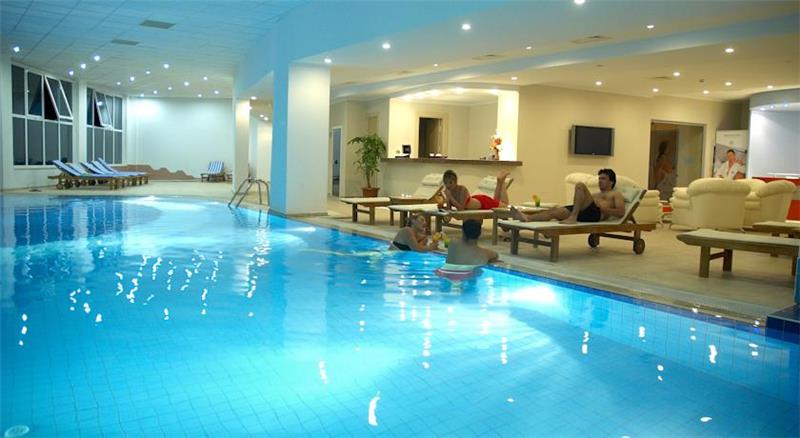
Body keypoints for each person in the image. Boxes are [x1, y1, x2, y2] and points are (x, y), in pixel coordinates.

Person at [510, 168, 625, 224]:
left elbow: (621, 212)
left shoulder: (615, 194)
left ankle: (573, 217)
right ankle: (527, 218)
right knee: (554, 211)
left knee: (580, 185)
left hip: (595, 214)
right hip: (583, 213)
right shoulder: (595, 194)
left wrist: (603, 209)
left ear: (611, 181)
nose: (600, 181)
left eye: (603, 179)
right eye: (599, 178)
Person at [442, 169, 511, 211]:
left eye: (450, 182)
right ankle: (500, 182)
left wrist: (450, 197)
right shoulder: (449, 192)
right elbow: (448, 211)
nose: (448, 185)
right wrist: (446, 201)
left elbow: (461, 209)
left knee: (505, 206)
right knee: (496, 202)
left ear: (456, 182)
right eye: (446, 183)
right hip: (476, 200)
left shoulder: (462, 189)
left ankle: (501, 182)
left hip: (483, 202)